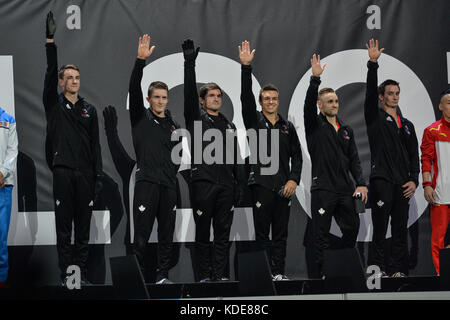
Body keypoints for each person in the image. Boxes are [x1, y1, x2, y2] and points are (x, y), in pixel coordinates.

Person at [43, 12, 102, 286]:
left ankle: (81, 275)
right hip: (63, 173)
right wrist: (50, 42)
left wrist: (97, 176)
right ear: (61, 81)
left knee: (83, 231)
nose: (75, 81)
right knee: (64, 229)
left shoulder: (89, 110)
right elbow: (50, 71)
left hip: (86, 176)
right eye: (69, 77)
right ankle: (67, 277)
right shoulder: (54, 105)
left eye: (77, 77)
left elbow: (96, 145)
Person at [182, 39, 246, 282]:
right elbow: (189, 95)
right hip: (204, 185)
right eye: (211, 95)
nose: (217, 98)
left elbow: (236, 157)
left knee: (222, 235)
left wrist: (239, 185)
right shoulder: (196, 119)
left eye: (219, 95)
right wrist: (190, 65)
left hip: (226, 188)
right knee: (202, 234)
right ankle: (203, 278)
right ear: (202, 100)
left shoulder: (228, 124)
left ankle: (220, 276)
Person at [238, 40, 302, 280]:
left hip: (284, 187)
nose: (271, 102)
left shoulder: (287, 127)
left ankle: (278, 273)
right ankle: (263, 275)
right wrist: (246, 68)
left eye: (274, 98)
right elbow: (245, 98)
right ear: (260, 102)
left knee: (281, 234)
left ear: (278, 100)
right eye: (266, 99)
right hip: (262, 186)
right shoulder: (254, 121)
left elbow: (297, 156)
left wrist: (294, 180)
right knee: (262, 233)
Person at [304, 54, 368, 279]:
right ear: (320, 105)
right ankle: (323, 275)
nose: (334, 104)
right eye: (330, 101)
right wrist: (315, 79)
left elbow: (355, 160)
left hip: (345, 190)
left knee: (352, 228)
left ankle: (341, 266)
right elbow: (307, 105)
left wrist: (361, 183)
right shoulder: (314, 125)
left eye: (336, 101)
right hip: (322, 189)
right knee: (320, 235)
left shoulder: (347, 129)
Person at [364, 39, 420, 278]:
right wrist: (373, 64)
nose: (394, 97)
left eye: (397, 93)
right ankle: (377, 270)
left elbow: (413, 155)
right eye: (390, 93)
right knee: (379, 229)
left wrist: (414, 179)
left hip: (402, 184)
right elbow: (368, 93)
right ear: (381, 97)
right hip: (381, 181)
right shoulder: (374, 117)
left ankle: (397, 270)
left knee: (399, 229)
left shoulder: (407, 125)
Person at [128, 35, 182, 284]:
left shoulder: (173, 124)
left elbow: (178, 156)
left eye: (164, 97)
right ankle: (138, 278)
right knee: (141, 234)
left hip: (168, 186)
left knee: (166, 235)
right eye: (156, 97)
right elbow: (133, 88)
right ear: (148, 100)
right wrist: (140, 61)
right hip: (147, 183)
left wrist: (171, 175)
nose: (160, 101)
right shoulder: (140, 117)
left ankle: (162, 277)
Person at [420, 88, 450, 275]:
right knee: (438, 239)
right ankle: (442, 276)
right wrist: (427, 184)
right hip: (441, 193)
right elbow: (426, 159)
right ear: (440, 106)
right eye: (449, 102)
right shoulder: (432, 130)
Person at [0, 107, 18, 288]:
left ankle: (1, 280)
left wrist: (2, 173)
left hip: (3, 185)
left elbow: (13, 151)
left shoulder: (8, 119)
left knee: (0, 236)